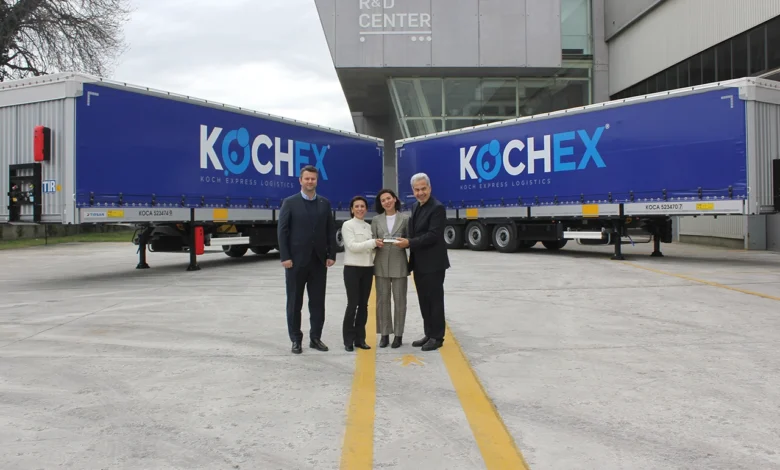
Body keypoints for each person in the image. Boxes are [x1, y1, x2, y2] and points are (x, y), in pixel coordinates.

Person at [277, 165, 337, 354]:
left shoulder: (324, 203)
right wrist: (285, 256)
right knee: (294, 302)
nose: (310, 181)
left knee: (317, 302)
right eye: (307, 178)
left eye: (313, 179)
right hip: (295, 262)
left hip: (318, 261)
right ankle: (296, 339)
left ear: (316, 181)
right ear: (300, 180)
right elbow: (282, 231)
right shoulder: (290, 202)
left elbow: (330, 230)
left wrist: (331, 254)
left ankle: (315, 338)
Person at [395, 173, 450, 352]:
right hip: (419, 263)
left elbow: (433, 235)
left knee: (435, 301)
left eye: (423, 189)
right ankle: (429, 333)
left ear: (430, 188)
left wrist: (409, 242)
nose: (420, 193)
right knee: (424, 300)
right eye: (417, 190)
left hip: (434, 264)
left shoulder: (437, 208)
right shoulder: (415, 207)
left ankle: (437, 337)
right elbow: (415, 231)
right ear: (413, 191)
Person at [341, 195, 383, 351]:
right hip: (352, 268)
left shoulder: (368, 227)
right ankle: (348, 340)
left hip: (367, 268)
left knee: (363, 305)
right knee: (352, 304)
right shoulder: (347, 225)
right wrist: (372, 243)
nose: (360, 209)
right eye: (357, 206)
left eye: (362, 206)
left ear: (366, 209)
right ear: (352, 209)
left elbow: (370, 249)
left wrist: (377, 246)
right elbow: (352, 246)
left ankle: (360, 339)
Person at [370, 188, 410, 349]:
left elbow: (410, 240)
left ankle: (398, 335)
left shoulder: (405, 219)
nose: (386, 202)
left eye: (388, 198)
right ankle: (384, 334)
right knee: (382, 300)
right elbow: (372, 240)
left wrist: (405, 243)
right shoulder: (376, 220)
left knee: (400, 300)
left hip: (399, 263)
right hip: (381, 263)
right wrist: (376, 243)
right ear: (380, 204)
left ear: (395, 199)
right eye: (383, 200)